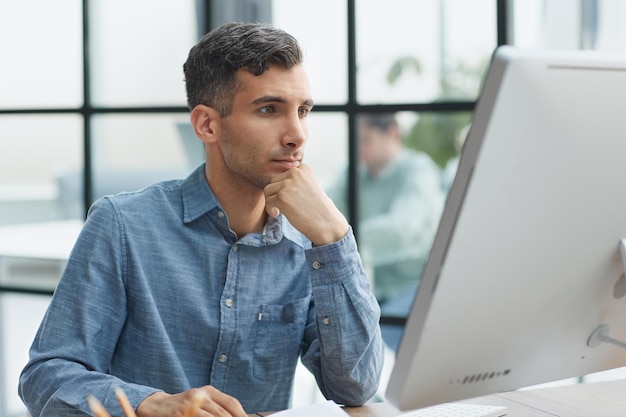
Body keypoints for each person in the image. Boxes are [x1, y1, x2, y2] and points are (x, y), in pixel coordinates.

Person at [19, 22, 383, 417]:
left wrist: (334, 237)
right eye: (269, 110)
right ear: (207, 124)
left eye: (304, 111)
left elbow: (356, 386)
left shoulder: (311, 243)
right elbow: (45, 375)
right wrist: (152, 404)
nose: (298, 135)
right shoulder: (123, 225)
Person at [327, 113, 444, 348]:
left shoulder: (417, 172)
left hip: (415, 287)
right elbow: (322, 213)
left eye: (366, 139)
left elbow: (402, 230)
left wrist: (337, 238)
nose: (358, 148)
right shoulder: (352, 174)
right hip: (370, 286)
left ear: (392, 134)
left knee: (370, 334)